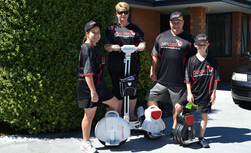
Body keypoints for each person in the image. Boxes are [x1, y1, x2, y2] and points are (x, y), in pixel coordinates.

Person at [145, 11, 195, 136]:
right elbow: (155, 55)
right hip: (162, 80)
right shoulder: (161, 37)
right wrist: (153, 71)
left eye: (178, 23)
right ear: (170, 23)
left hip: (179, 81)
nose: (176, 25)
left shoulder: (190, 39)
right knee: (150, 97)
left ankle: (174, 129)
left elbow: (194, 61)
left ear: (183, 23)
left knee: (177, 107)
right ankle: (157, 124)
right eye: (173, 23)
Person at [77, 21, 119, 153]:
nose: (96, 35)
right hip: (89, 88)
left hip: (100, 88)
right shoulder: (87, 48)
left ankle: (106, 131)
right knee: (89, 116)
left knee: (115, 104)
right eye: (93, 32)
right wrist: (93, 92)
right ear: (87, 34)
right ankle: (85, 143)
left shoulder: (94, 48)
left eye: (98, 32)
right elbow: (88, 73)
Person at [175, 34, 220, 148]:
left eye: (204, 45)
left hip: (205, 95)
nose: (201, 47)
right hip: (193, 96)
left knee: (204, 115)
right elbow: (188, 80)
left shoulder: (212, 60)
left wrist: (214, 93)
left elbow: (215, 79)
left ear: (207, 45)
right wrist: (189, 93)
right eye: (199, 45)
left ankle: (201, 138)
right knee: (180, 108)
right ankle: (186, 130)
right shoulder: (191, 61)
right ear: (195, 45)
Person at [103, 2, 146, 121]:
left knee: (131, 88)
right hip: (116, 65)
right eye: (120, 12)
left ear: (128, 13)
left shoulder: (135, 29)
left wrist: (141, 46)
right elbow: (106, 45)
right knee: (118, 90)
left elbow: (142, 41)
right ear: (117, 14)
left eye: (125, 12)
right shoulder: (112, 29)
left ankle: (131, 115)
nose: (123, 15)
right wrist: (112, 47)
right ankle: (118, 115)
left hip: (132, 63)